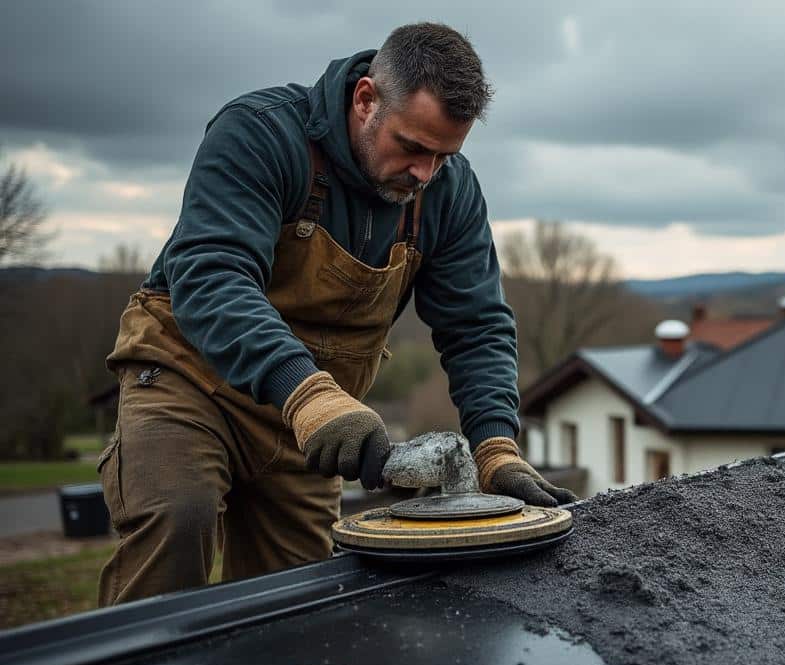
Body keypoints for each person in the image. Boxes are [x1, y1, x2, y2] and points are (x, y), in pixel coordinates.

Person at [97, 22, 575, 606]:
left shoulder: (448, 190)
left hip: (315, 431)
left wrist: (495, 445)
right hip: (191, 383)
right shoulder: (260, 134)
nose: (426, 172)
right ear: (366, 99)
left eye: (444, 154)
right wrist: (309, 396)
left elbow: (476, 325)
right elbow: (212, 276)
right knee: (178, 519)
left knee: (295, 603)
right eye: (413, 147)